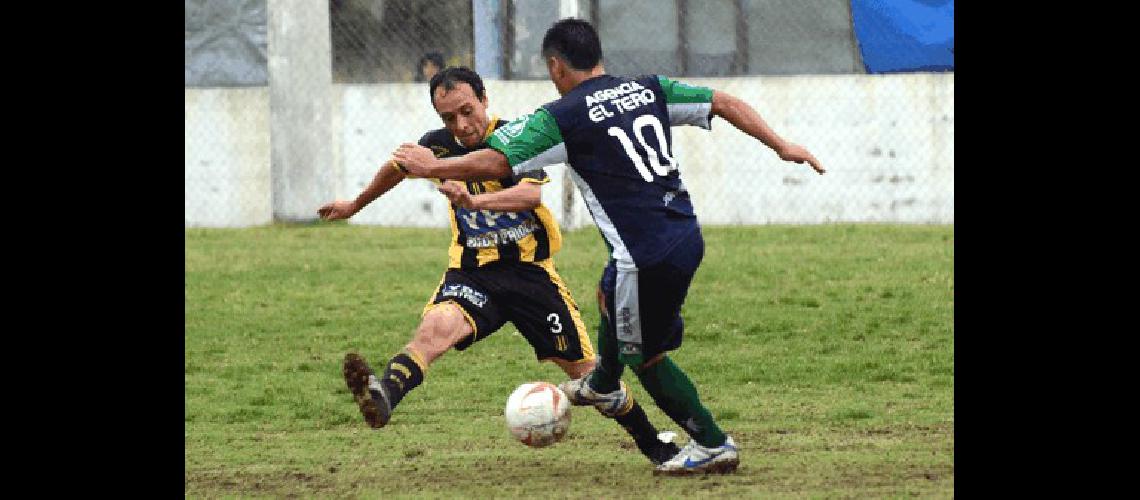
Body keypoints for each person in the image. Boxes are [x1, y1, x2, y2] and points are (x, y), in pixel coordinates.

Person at [392, 19, 824, 475]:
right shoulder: (649, 88)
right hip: (683, 234)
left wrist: (428, 167)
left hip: (644, 254)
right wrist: (781, 145)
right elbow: (722, 101)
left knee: (647, 357)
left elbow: (499, 160)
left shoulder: (563, 115)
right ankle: (600, 382)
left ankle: (712, 444)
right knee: (607, 292)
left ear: (556, 66)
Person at [319, 66, 680, 465]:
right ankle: (384, 395)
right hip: (473, 273)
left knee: (587, 373)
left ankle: (653, 444)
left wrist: (474, 202)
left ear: (484, 98)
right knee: (434, 329)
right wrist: (355, 203)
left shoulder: (517, 137)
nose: (461, 124)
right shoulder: (437, 147)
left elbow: (529, 197)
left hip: (531, 277)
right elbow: (398, 166)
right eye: (448, 118)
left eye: (467, 111)